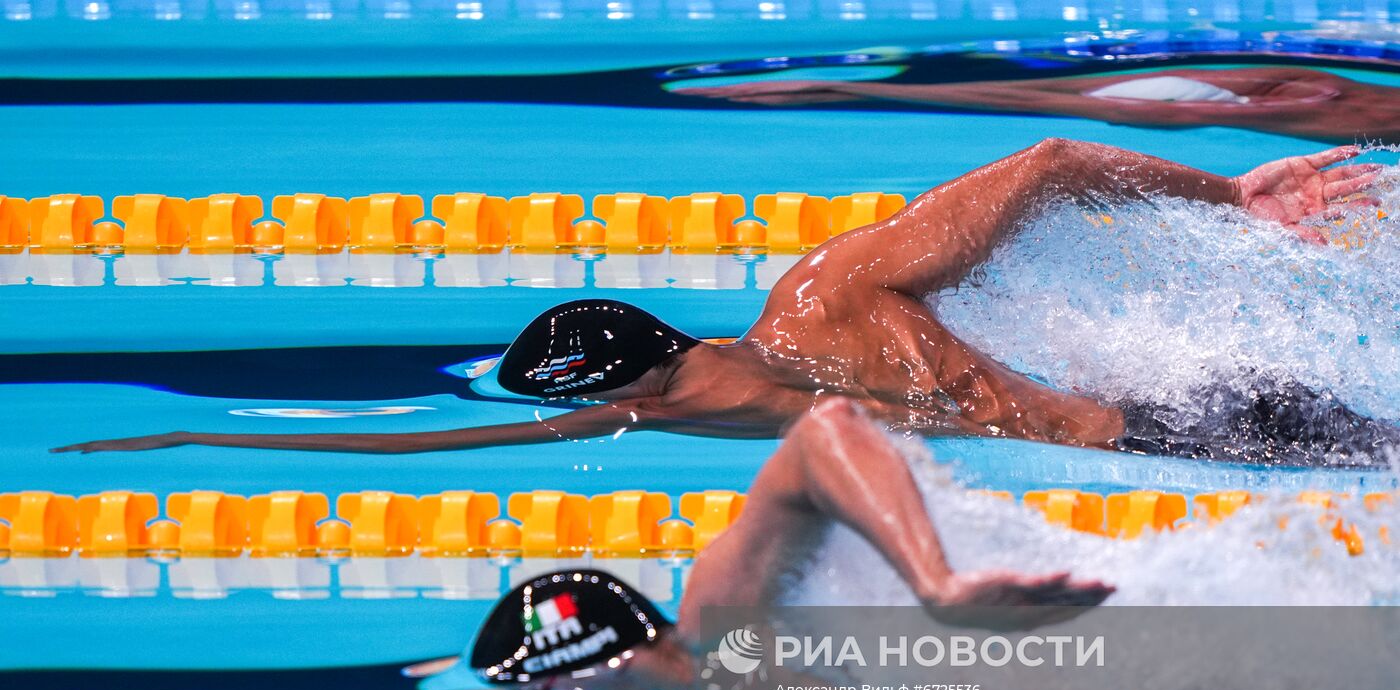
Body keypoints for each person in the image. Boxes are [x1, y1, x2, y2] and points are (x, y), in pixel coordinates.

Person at [56, 139, 1392, 466]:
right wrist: (201, 437)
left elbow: (1042, 166)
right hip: (1172, 437)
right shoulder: (663, 408)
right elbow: (431, 442)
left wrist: (1232, 201)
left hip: (1192, 416)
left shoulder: (826, 299)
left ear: (629, 381)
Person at [284, 400, 1400, 690]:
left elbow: (823, 435)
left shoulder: (721, 629)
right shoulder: (689, 683)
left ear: (610, 662)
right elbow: (514, 683)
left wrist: (937, 583)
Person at [673, 67, 1400, 143]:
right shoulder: (1379, 117)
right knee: (990, 99)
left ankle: (832, 88)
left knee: (984, 96)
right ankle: (830, 90)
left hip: (1177, 92)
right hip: (1170, 104)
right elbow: (1237, 113)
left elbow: (1261, 87)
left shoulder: (1363, 94)